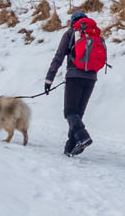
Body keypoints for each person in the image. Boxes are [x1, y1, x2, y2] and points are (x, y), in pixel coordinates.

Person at [46, 11, 107, 157]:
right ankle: (70, 147)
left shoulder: (71, 33)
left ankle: (83, 137)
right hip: (91, 78)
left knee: (70, 112)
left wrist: (49, 79)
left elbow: (58, 57)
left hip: (74, 76)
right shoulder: (95, 34)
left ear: (73, 21)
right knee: (78, 114)